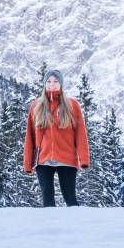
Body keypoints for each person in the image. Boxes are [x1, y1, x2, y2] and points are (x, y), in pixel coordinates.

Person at [23, 69, 90, 207]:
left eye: (55, 81)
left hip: (67, 159)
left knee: (70, 198)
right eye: (48, 82)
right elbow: (29, 136)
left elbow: (80, 134)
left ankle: (76, 227)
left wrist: (83, 160)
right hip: (43, 160)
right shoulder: (36, 106)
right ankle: (50, 227)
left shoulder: (72, 105)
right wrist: (27, 163)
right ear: (44, 84)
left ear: (61, 84)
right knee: (47, 199)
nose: (51, 84)